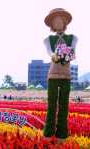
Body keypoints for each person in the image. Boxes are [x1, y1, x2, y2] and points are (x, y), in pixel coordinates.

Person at [43, 8, 78, 143]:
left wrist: (67, 55)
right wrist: (54, 55)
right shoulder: (48, 39)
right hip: (52, 75)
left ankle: (61, 135)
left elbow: (73, 52)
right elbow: (49, 52)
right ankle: (48, 133)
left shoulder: (72, 38)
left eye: (60, 20)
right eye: (55, 21)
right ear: (52, 25)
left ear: (64, 22)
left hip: (66, 75)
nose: (58, 23)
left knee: (64, 105)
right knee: (51, 105)